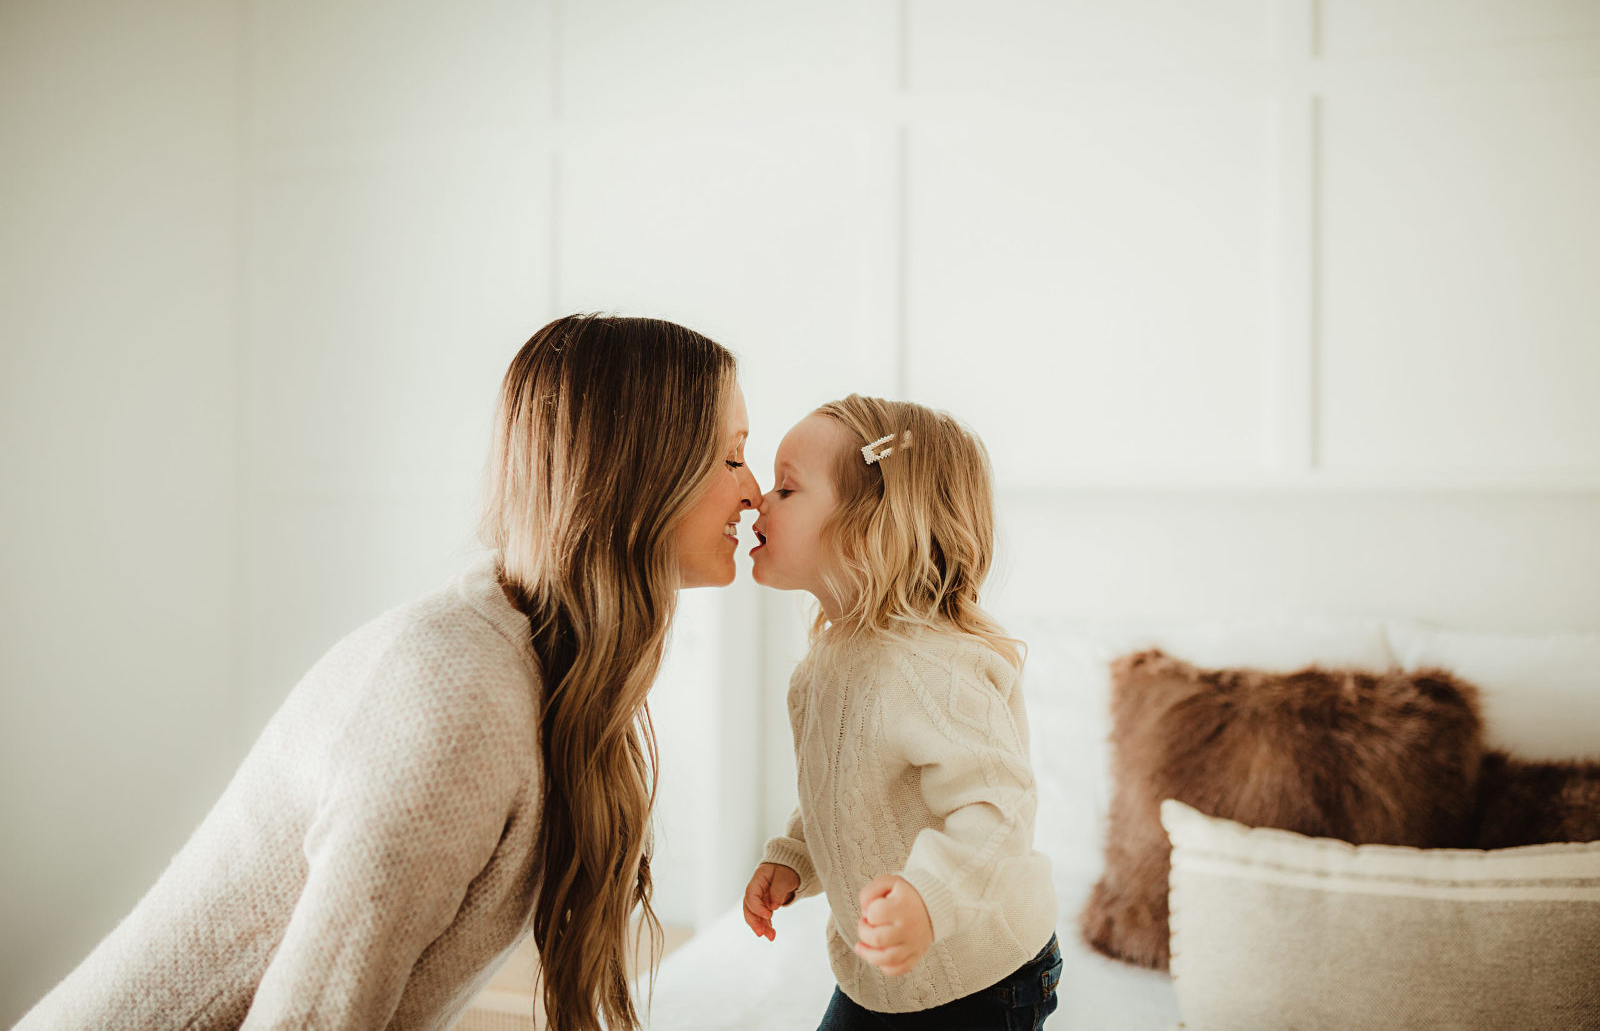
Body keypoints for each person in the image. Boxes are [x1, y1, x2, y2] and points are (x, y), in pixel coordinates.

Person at [17, 314, 762, 1031]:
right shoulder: (460, 696)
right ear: (638, 470)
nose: (754, 490)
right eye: (731, 457)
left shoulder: (537, 668)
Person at [740, 394, 1061, 1031]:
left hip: (979, 975)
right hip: (879, 972)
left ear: (870, 526)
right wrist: (795, 857)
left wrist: (928, 897)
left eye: (786, 488)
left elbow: (998, 807)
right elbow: (843, 789)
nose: (758, 501)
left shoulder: (930, 665)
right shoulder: (824, 665)